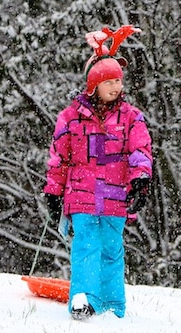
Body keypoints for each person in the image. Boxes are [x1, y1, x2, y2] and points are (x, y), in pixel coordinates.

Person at [43, 25, 153, 320]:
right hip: (81, 193)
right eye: (109, 81)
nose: (116, 86)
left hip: (115, 194)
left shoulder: (131, 117)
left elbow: (140, 149)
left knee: (111, 249)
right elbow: (59, 158)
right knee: (86, 245)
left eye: (119, 80)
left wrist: (140, 179)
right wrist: (53, 192)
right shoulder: (70, 119)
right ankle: (83, 299)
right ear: (94, 85)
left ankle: (113, 304)